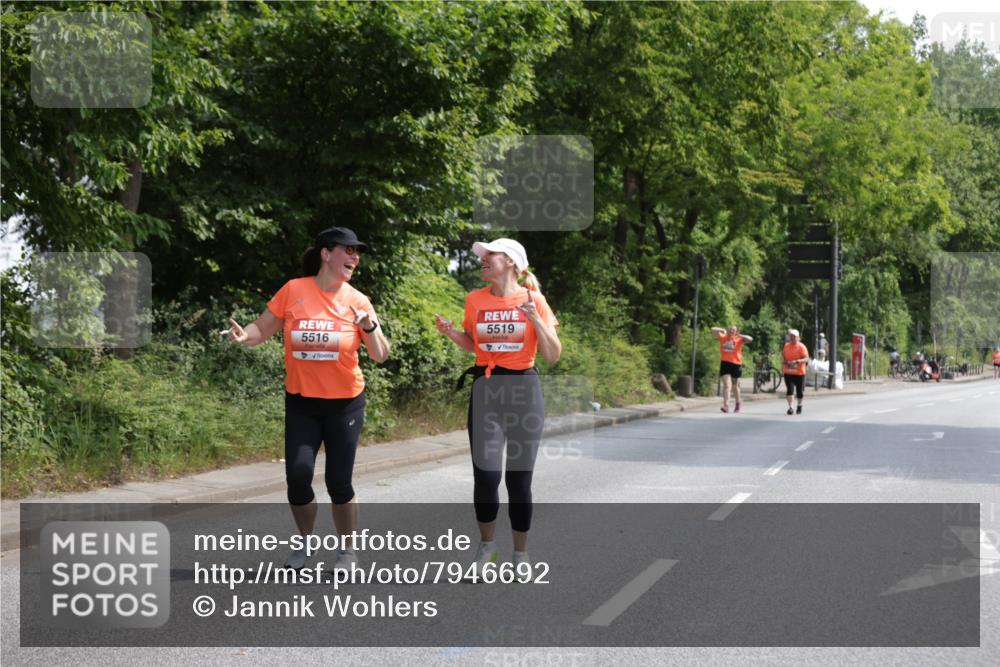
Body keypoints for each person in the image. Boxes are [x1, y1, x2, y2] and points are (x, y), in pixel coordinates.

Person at [222, 227, 390, 570]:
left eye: (358, 252)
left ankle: (347, 552)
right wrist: (244, 336)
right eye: (348, 250)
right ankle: (305, 543)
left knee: (338, 482)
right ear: (326, 254)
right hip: (302, 402)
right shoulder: (294, 290)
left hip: (345, 403)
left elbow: (381, 355)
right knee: (298, 477)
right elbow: (263, 327)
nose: (355, 257)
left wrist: (370, 328)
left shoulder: (358, 301)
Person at [434, 238, 560, 581]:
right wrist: (451, 334)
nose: (484, 260)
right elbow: (474, 343)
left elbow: (552, 354)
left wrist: (535, 320)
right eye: (483, 256)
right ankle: (487, 548)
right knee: (486, 478)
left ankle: (521, 553)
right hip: (486, 390)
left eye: (491, 256)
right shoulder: (475, 299)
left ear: (512, 262)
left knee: (518, 482)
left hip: (523, 391)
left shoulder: (534, 299)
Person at [710, 325, 753, 413]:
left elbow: (750, 339)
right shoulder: (723, 337)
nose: (731, 331)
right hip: (725, 363)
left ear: (736, 331)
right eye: (730, 329)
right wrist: (722, 329)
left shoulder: (739, 339)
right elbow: (712, 329)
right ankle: (726, 405)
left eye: (733, 330)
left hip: (736, 364)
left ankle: (738, 403)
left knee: (735, 386)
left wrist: (740, 335)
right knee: (727, 385)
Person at [782, 328, 810, 415]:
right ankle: (790, 407)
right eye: (791, 336)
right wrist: (784, 362)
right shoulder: (786, 346)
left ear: (798, 338)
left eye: (794, 337)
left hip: (799, 373)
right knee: (789, 390)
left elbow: (806, 358)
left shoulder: (802, 347)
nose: (792, 338)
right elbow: (783, 355)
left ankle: (799, 405)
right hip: (788, 372)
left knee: (799, 392)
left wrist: (797, 361)